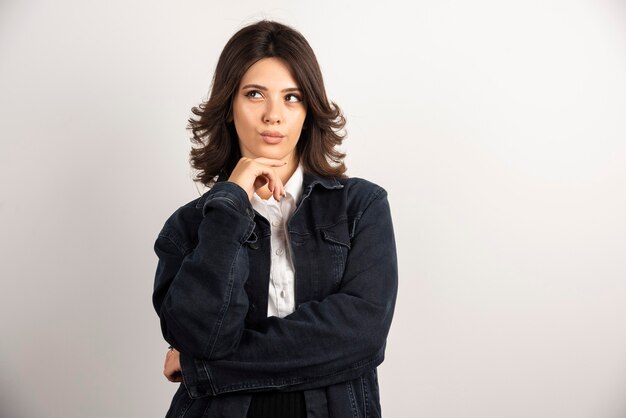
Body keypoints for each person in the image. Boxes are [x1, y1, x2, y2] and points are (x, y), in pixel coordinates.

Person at [152, 20, 398, 418]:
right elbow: (203, 335)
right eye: (254, 94)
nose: (273, 115)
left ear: (309, 110)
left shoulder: (361, 206)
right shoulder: (189, 227)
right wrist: (231, 204)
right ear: (229, 108)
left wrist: (207, 370)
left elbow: (361, 335)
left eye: (292, 97)